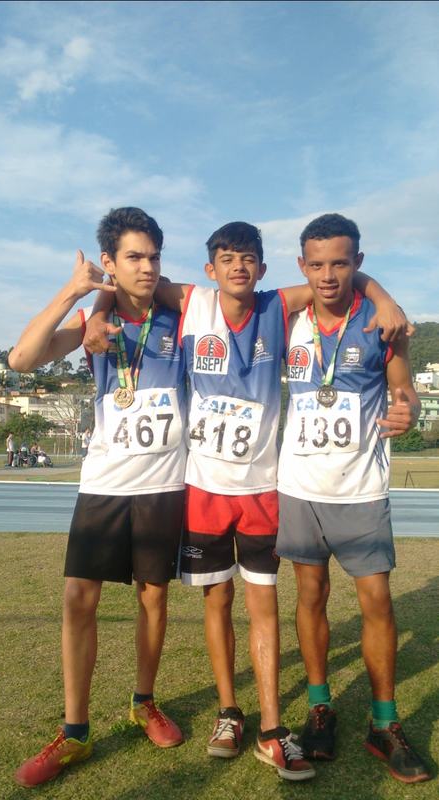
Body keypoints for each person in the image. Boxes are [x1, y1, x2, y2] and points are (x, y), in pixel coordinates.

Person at [83, 220, 408, 782]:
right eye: (227, 259)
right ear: (211, 268)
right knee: (217, 601)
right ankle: (229, 713)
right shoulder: (192, 301)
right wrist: (95, 312)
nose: (238, 267)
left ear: (262, 268)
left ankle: (273, 728)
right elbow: (128, 283)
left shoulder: (278, 305)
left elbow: (338, 276)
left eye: (248, 258)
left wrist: (382, 296)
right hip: (204, 487)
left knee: (264, 604)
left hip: (262, 489)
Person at [9, 206, 187, 787]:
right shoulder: (93, 320)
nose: (147, 267)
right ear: (109, 261)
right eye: (134, 257)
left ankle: (144, 703)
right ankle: (75, 731)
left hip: (162, 484)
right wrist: (76, 291)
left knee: (153, 599)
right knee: (78, 599)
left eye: (153, 256)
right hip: (105, 484)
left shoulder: (181, 317)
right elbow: (21, 359)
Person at [276, 213, 431, 784]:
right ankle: (321, 708)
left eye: (340, 263)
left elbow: (405, 393)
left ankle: (383, 723)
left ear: (358, 263)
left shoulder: (380, 325)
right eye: (316, 264)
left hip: (361, 489)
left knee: (377, 603)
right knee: (310, 596)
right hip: (299, 488)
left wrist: (407, 411)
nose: (328, 275)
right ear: (302, 266)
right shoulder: (286, 320)